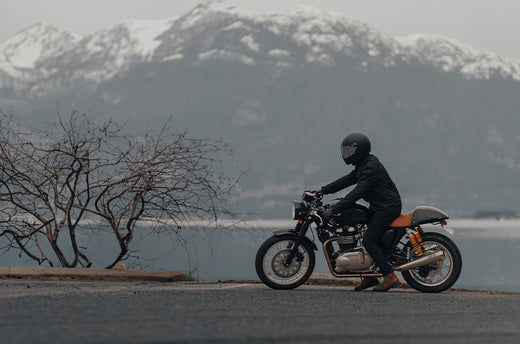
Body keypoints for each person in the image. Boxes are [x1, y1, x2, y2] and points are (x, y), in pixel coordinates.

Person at [319, 132, 402, 292]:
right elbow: (346, 180)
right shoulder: (363, 165)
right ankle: (370, 278)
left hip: (387, 207)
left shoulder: (371, 167)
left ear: (359, 149)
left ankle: (390, 277)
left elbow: (356, 193)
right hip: (379, 206)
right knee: (364, 235)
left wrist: (333, 210)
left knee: (368, 241)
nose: (346, 154)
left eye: (349, 150)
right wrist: (323, 190)